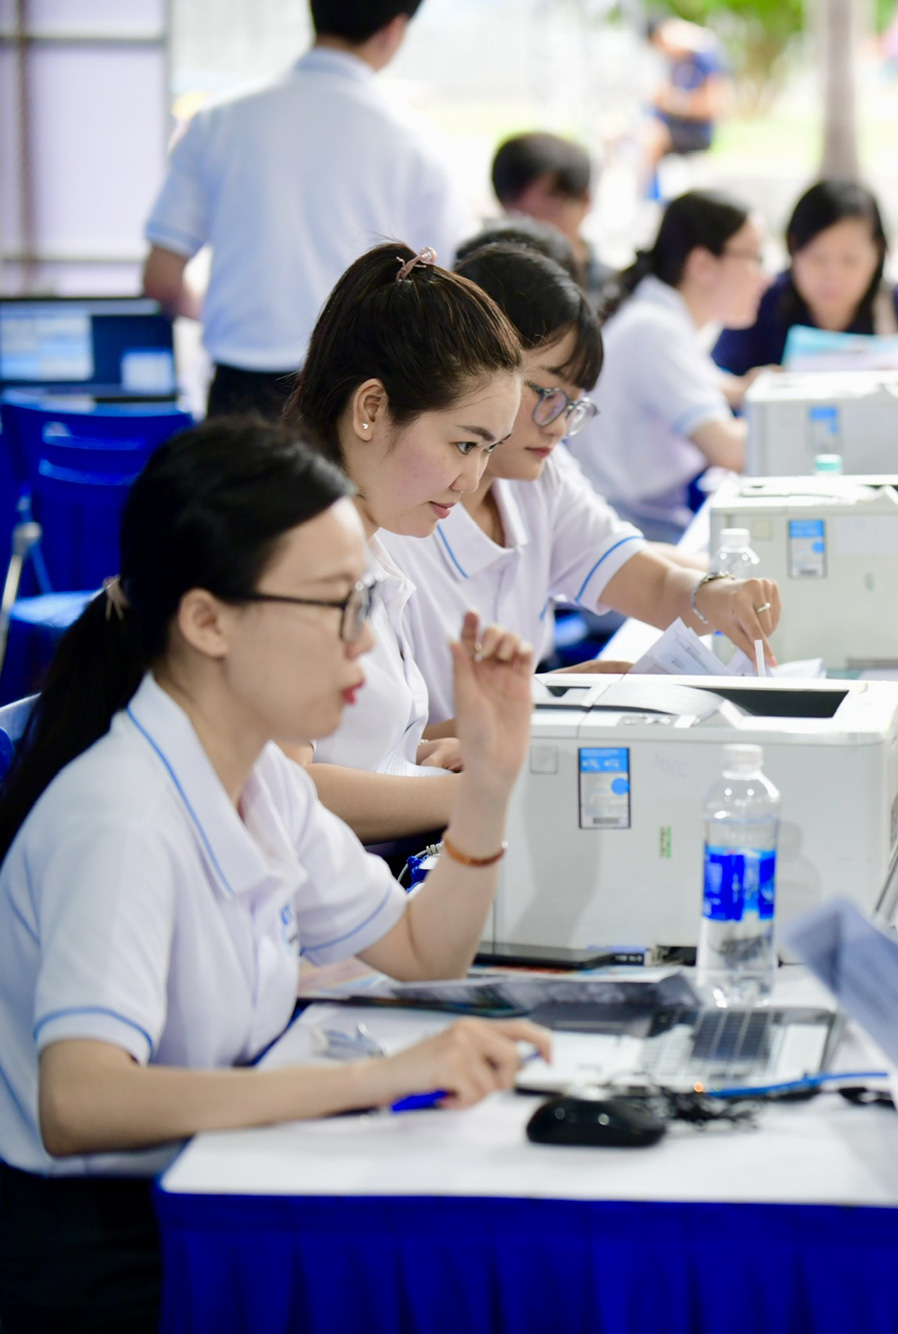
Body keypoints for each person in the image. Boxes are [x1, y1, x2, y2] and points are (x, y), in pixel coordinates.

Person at [0, 420, 550, 1333]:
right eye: (335, 608)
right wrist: (376, 1079)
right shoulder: (122, 815)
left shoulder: (258, 776)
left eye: (364, 603)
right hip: (96, 1260)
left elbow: (424, 949)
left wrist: (487, 787)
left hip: (196, 1194)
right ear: (208, 620)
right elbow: (80, 1101)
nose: (363, 646)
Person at [384, 242, 781, 721]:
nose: (557, 424)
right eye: (548, 394)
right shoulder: (399, 519)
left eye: (574, 406)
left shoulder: (538, 477)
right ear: (474, 365)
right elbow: (389, 750)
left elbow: (650, 584)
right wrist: (538, 703)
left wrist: (712, 594)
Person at [282, 242, 522, 844]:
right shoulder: (288, 561)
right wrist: (462, 792)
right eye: (464, 444)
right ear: (371, 408)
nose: (471, 481)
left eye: (489, 451)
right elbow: (281, 788)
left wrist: (422, 761)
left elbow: (354, 751)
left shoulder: (367, 544)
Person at [141, 0, 467, 420]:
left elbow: (160, 280)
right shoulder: (418, 141)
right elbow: (447, 287)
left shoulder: (218, 120)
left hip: (240, 387)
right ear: (393, 30)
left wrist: (229, 314)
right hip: (356, 396)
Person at [574, 190, 770, 543]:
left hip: (642, 525)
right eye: (754, 257)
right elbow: (730, 450)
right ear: (702, 265)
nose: (764, 277)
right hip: (634, 533)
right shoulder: (656, 331)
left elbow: (726, 388)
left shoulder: (660, 319)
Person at [711, 179, 898, 376]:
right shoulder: (761, 301)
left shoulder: (897, 304)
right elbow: (711, 380)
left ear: (878, 254)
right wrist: (753, 385)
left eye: (850, 261)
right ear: (793, 250)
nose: (832, 275)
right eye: (817, 259)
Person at [489, 132, 619, 310]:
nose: (531, 228)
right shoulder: (488, 290)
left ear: (585, 202)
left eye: (548, 208)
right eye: (519, 215)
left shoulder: (617, 293)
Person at [639, 17, 729, 197]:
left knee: (652, 138)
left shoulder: (705, 57)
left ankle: (650, 197)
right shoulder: (675, 62)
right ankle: (648, 197)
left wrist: (675, 102)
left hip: (695, 133)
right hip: (671, 129)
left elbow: (716, 105)